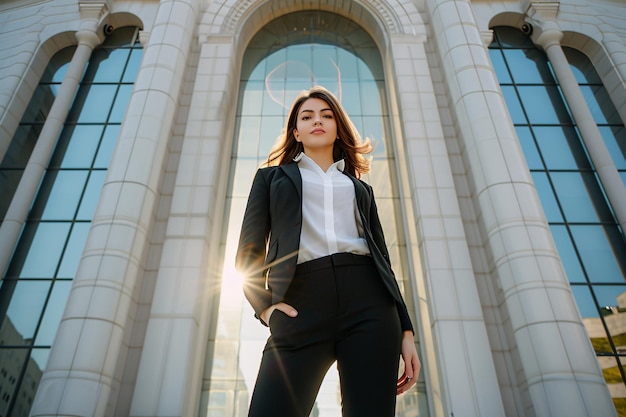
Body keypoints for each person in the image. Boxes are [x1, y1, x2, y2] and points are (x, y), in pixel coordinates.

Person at [235, 85, 420, 417]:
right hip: (300, 302)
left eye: (326, 115)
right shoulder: (270, 179)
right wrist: (265, 308)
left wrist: (406, 330)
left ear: (338, 127)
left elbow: (383, 261)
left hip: (370, 304)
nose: (317, 121)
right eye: (307, 117)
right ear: (296, 131)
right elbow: (248, 251)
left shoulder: (360, 187)